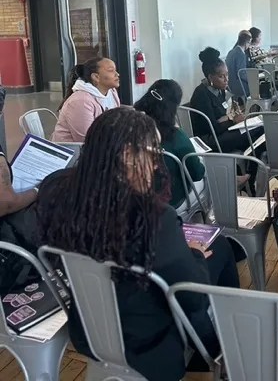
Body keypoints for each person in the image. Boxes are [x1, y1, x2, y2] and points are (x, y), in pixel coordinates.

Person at [37, 108, 239, 381]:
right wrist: (194, 255)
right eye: (153, 154)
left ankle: (218, 347)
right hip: (147, 346)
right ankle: (224, 349)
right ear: (127, 156)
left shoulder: (55, 190)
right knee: (220, 250)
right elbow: (192, 296)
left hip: (88, 329)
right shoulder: (153, 218)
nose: (157, 165)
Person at [134, 80, 204, 208]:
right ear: (174, 107)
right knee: (206, 172)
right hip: (171, 201)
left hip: (136, 200)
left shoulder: (131, 126)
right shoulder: (176, 137)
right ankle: (208, 217)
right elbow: (196, 174)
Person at [190, 48, 253, 153]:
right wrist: (232, 120)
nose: (226, 79)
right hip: (208, 140)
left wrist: (228, 119)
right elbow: (212, 127)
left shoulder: (220, 90)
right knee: (248, 134)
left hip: (222, 131)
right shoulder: (201, 95)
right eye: (221, 76)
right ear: (210, 77)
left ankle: (248, 163)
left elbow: (221, 118)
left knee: (252, 130)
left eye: (227, 74)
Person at [52, 58, 120, 143]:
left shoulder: (111, 92)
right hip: (76, 152)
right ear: (96, 77)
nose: (117, 74)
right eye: (111, 70)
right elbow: (87, 139)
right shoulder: (80, 101)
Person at [225, 30, 252, 99]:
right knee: (256, 86)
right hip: (238, 86)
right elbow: (241, 73)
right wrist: (252, 79)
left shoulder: (231, 52)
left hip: (229, 85)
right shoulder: (241, 54)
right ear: (247, 43)